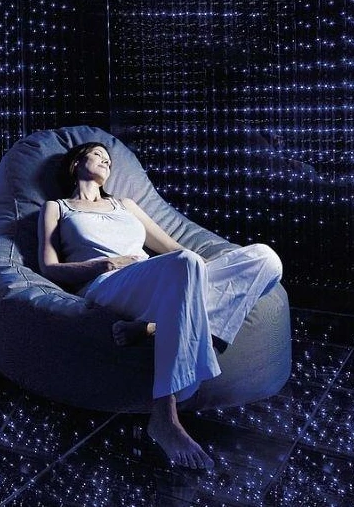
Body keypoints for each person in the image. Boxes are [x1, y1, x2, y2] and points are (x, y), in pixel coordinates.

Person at [37, 142, 283, 469]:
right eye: (98, 155)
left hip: (159, 277)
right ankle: (164, 413)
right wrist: (103, 264)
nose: (106, 162)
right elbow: (49, 268)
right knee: (183, 264)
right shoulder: (58, 207)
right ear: (77, 162)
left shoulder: (125, 204)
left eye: (110, 161)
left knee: (266, 258)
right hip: (107, 283)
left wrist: (223, 272)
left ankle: (155, 325)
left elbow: (173, 248)